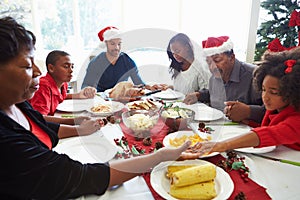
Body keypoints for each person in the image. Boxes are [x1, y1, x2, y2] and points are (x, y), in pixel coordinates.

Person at [0, 16, 190, 199]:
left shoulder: (18, 104)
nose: (37, 71)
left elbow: (38, 122)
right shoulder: (8, 143)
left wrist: (78, 129)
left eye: (119, 43)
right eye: (26, 65)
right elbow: (80, 177)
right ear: (106, 44)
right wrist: (158, 158)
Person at [186, 46, 300, 157]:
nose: (265, 97)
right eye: (263, 90)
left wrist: (221, 145)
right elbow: (266, 125)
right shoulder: (276, 108)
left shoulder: (296, 121)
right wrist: (248, 121)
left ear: (293, 92)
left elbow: (271, 133)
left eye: (273, 92)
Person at [183, 36, 265, 125]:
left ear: (232, 58)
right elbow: (213, 93)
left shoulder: (255, 75)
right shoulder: (214, 77)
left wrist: (248, 111)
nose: (212, 67)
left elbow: (273, 111)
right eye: (209, 62)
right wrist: (199, 95)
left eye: (217, 60)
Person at [29, 50, 96, 117]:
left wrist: (79, 95)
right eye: (66, 66)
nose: (71, 70)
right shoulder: (43, 87)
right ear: (51, 68)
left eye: (72, 66)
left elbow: (60, 96)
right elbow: (40, 119)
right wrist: (72, 121)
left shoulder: (63, 84)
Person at [81, 26, 145, 92]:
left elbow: (139, 83)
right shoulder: (95, 62)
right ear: (106, 43)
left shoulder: (128, 61)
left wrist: (149, 87)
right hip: (101, 98)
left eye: (119, 44)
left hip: (122, 97)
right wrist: (87, 89)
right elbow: (85, 85)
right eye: (112, 44)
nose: (116, 48)